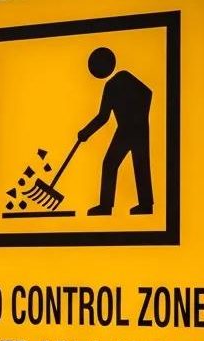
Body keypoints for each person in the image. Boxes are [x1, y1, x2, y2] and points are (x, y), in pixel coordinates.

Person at [77, 46, 154, 216]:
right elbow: (103, 117)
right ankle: (108, 206)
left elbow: (148, 93)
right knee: (114, 163)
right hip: (127, 129)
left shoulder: (124, 77)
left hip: (135, 128)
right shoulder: (110, 86)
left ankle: (144, 205)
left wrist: (140, 116)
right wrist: (86, 133)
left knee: (136, 163)